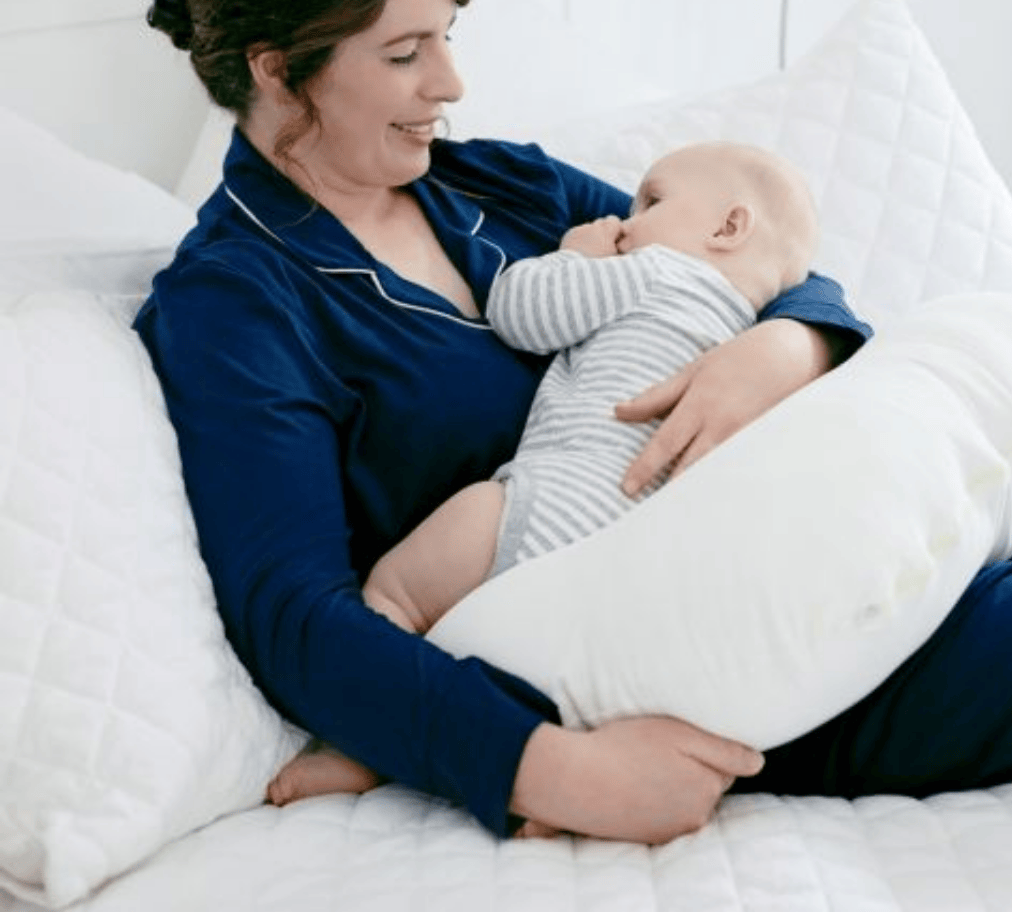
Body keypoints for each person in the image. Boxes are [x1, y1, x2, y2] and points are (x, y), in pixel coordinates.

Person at [135, 0, 1012, 846]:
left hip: (817, 516)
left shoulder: (498, 185)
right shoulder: (236, 303)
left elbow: (757, 263)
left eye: (447, 38)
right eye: (406, 53)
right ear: (277, 68)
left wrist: (784, 349)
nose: (451, 83)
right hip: (747, 649)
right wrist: (553, 770)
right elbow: (294, 615)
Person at [267, 140, 821, 804]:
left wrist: (574, 256)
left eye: (650, 201)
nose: (626, 220)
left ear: (728, 227)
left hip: (555, 500)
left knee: (396, 595)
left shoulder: (653, 272)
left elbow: (523, 312)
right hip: (638, 565)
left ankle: (358, 743)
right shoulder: (742, 338)